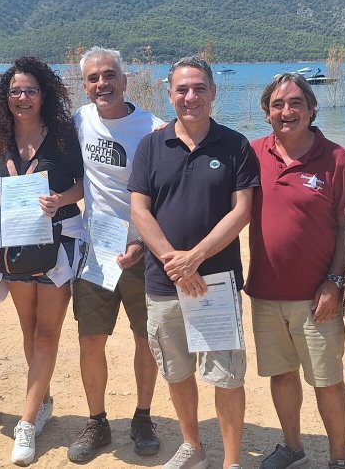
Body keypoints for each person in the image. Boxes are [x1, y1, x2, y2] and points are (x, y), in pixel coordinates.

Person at [129, 56, 260, 469]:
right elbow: (139, 210)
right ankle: (193, 447)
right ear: (169, 95)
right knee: (177, 370)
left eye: (199, 88)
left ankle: (232, 461)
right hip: (164, 282)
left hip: (216, 283)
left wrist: (196, 258)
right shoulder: (151, 146)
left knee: (227, 375)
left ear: (213, 93)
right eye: (182, 89)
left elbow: (241, 211)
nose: (191, 96)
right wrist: (175, 263)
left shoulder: (235, 145)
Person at [246, 73, 345, 469]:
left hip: (316, 296)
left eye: (295, 103)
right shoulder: (252, 153)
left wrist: (335, 281)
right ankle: (293, 448)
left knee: (327, 381)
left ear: (311, 109)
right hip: (265, 293)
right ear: (267, 112)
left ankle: (339, 459)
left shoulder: (336, 158)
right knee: (281, 375)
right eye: (277, 104)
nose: (286, 111)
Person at [66, 47, 165, 463]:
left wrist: (142, 242)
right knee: (90, 339)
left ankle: (142, 418)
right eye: (93, 78)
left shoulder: (154, 129)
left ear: (125, 81)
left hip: (143, 253)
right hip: (96, 252)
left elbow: (164, 194)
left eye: (109, 75)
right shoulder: (79, 121)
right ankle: (97, 422)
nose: (101, 84)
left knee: (146, 338)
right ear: (85, 85)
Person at [0, 56, 85, 466]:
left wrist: (59, 199)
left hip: (58, 244)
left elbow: (84, 185)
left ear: (43, 95)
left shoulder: (63, 136)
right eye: (15, 91)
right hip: (15, 244)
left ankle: (26, 423)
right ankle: (43, 400)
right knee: (28, 329)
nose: (23, 97)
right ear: (6, 97)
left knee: (47, 334)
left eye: (30, 90)